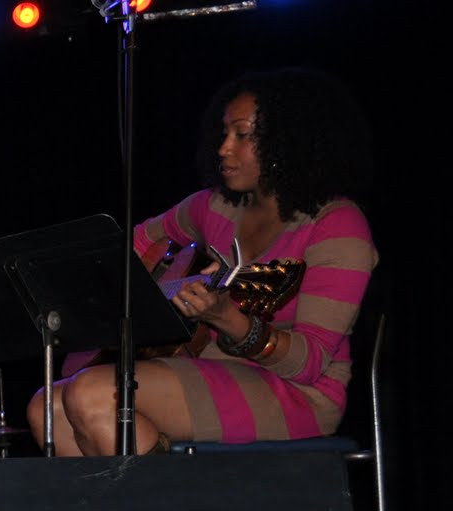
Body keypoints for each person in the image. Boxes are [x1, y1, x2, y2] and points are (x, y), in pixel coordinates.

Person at [28, 67, 376, 456]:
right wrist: (129, 299)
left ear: (290, 141)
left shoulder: (337, 224)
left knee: (94, 393)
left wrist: (228, 319)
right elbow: (138, 242)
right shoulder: (216, 207)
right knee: (46, 407)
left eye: (242, 135)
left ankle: (173, 496)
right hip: (206, 367)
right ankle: (140, 496)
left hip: (298, 392)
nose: (223, 148)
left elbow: (309, 364)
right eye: (223, 133)